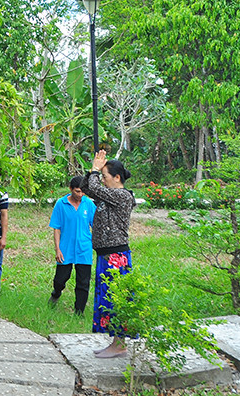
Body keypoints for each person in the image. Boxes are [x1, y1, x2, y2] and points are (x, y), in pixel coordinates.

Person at [84, 149, 136, 358]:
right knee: (108, 299)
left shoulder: (122, 196)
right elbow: (89, 188)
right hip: (106, 255)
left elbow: (95, 188)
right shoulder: (109, 197)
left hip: (116, 256)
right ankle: (116, 343)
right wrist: (94, 170)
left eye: (106, 177)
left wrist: (96, 170)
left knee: (116, 299)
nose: (103, 181)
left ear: (117, 178)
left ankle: (119, 344)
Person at [49, 176, 96, 315]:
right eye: (77, 191)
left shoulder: (88, 204)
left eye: (82, 192)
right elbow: (56, 228)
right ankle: (56, 294)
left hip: (84, 249)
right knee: (60, 279)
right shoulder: (61, 204)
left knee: (83, 283)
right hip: (66, 248)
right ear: (70, 189)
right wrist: (57, 249)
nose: (80, 195)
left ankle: (79, 312)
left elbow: (96, 226)